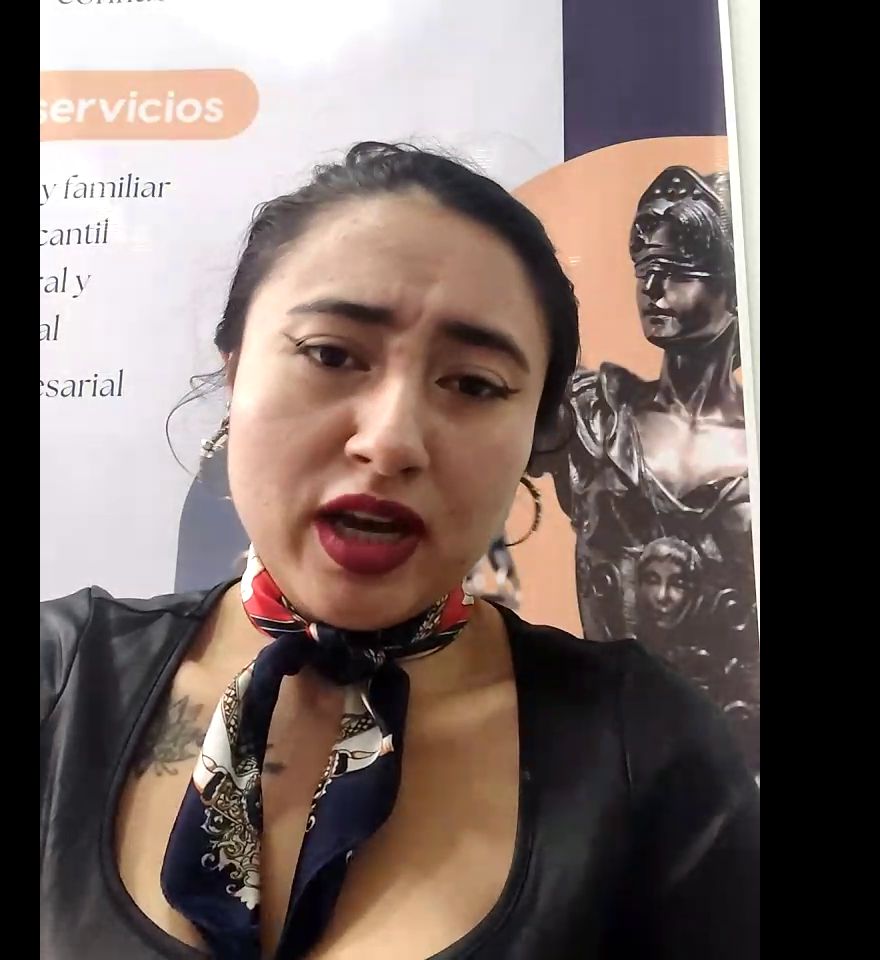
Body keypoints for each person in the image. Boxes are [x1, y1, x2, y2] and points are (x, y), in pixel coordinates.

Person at [40, 143, 759, 960]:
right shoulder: (62, 680)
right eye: (331, 354)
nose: (389, 443)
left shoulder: (646, 754)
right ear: (235, 371)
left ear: (538, 436)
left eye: (475, 384)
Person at [530, 165, 760, 776]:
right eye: (645, 270)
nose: (653, 288)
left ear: (737, 287)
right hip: (612, 754)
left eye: (680, 270)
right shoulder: (593, 417)